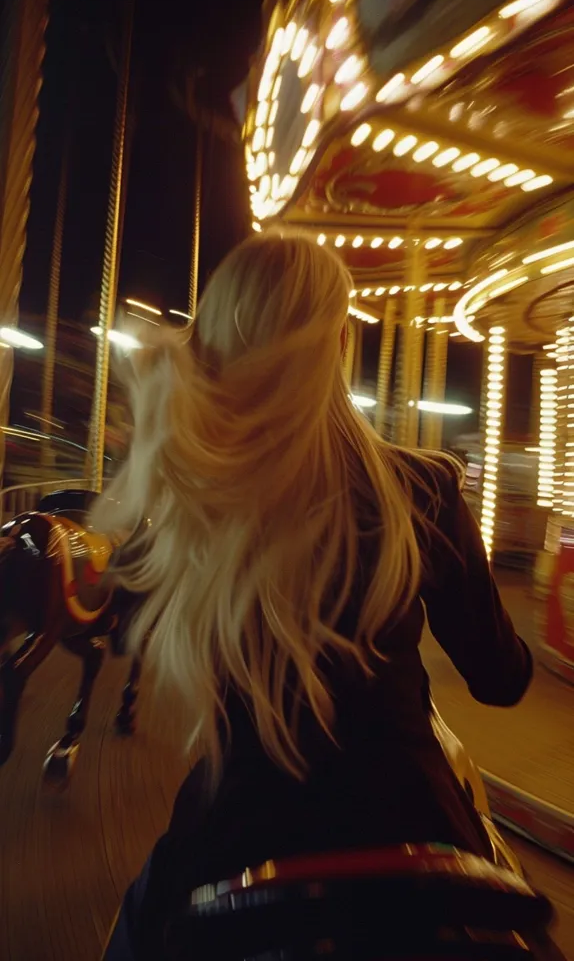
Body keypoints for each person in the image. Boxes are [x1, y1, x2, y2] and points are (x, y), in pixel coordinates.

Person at [94, 229, 533, 960]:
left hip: (235, 827)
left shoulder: (195, 492)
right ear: (338, 345)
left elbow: (122, 619)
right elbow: (499, 680)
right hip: (415, 818)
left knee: (140, 930)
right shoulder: (424, 489)